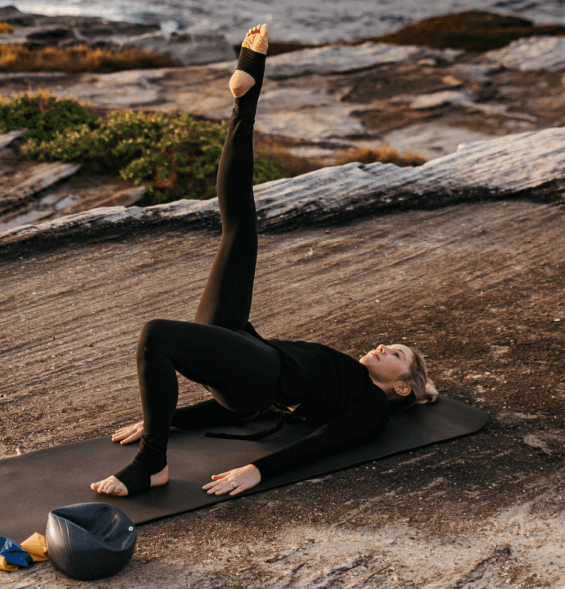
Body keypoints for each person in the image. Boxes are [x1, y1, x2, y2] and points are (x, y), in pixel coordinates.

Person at [88, 24, 439, 498]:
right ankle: (245, 98)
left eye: (398, 354)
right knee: (238, 229)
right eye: (392, 345)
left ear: (401, 387)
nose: (384, 346)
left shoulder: (371, 407)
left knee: (158, 335)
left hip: (262, 378)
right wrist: (164, 418)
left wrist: (259, 470)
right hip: (250, 353)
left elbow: (325, 443)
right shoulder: (352, 375)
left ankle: (153, 463)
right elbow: (240, 412)